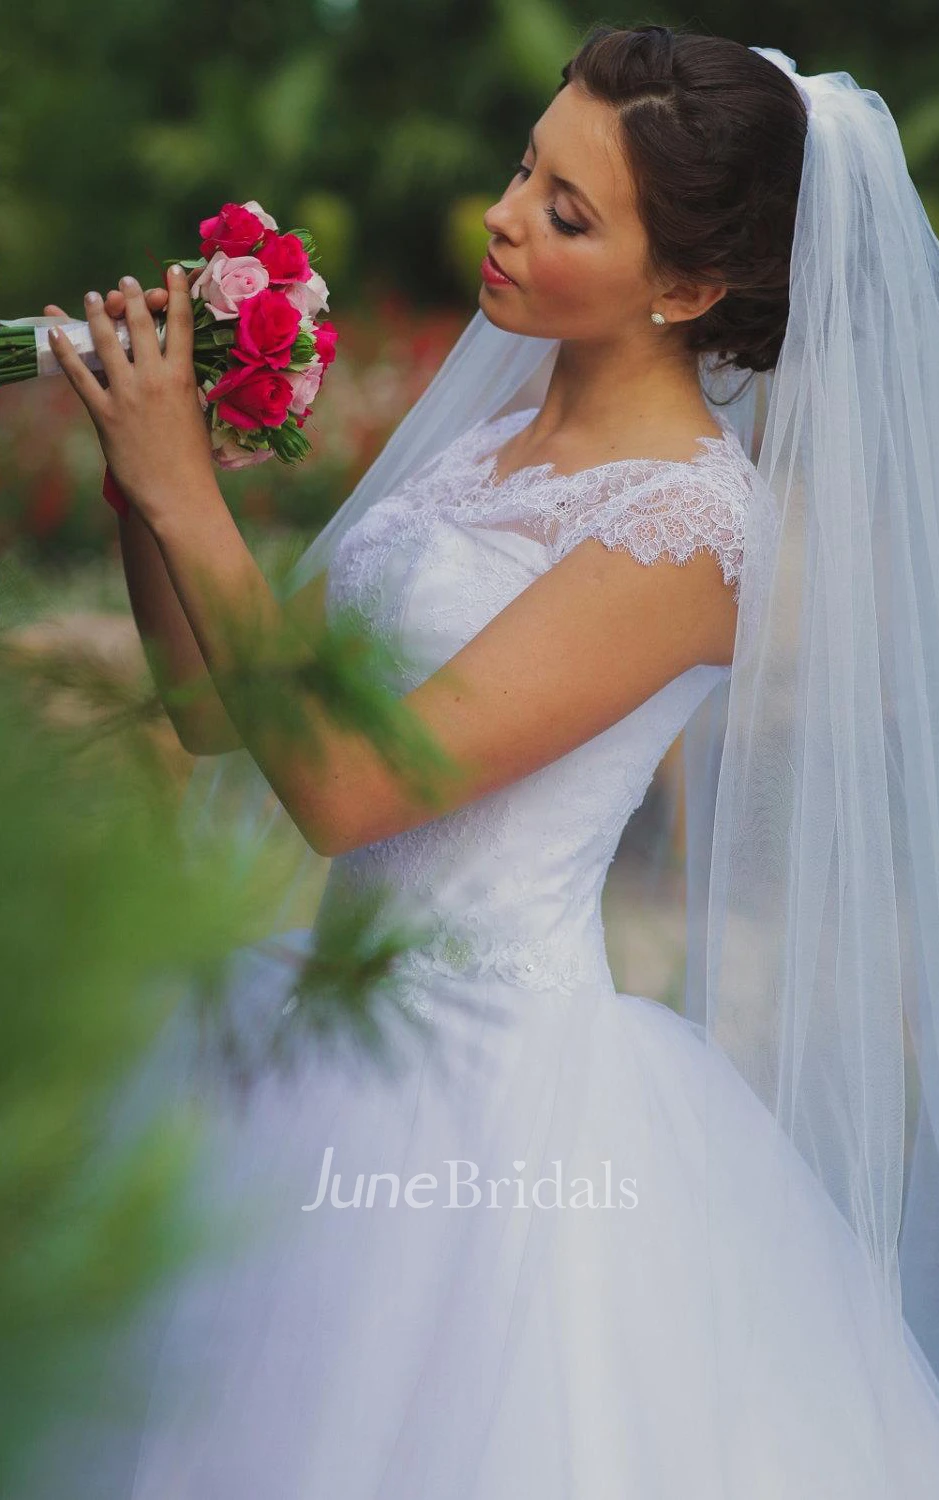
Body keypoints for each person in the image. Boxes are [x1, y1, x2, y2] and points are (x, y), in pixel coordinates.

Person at [29, 23, 939, 1499]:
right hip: (311, 1035)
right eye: (527, 165)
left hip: (485, 1113)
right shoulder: (488, 447)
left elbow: (343, 788)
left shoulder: (690, 532)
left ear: (688, 287)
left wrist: (188, 489)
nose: (507, 214)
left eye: (568, 212)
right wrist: (148, 477)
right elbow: (215, 712)